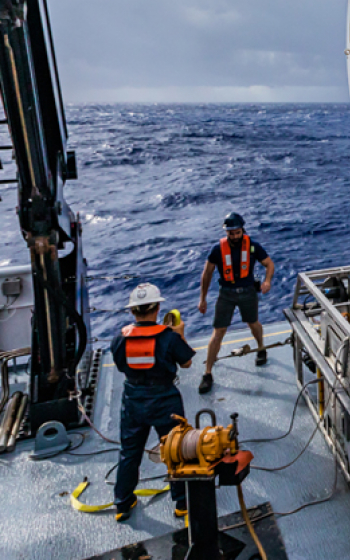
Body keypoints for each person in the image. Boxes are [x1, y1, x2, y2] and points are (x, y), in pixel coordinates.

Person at [111, 283, 195, 522]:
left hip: (133, 399)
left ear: (132, 310)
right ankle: (182, 504)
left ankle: (123, 504)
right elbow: (186, 363)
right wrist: (179, 333)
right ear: (158, 308)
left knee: (129, 452)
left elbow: (120, 365)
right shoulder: (169, 337)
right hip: (164, 399)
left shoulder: (120, 338)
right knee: (175, 450)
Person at [197, 212, 275, 394]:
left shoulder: (253, 247)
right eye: (230, 233)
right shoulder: (217, 249)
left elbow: (269, 264)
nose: (234, 236)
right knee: (218, 331)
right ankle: (207, 373)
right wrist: (203, 298)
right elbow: (207, 273)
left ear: (242, 230)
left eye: (237, 232)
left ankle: (261, 348)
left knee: (253, 323)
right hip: (226, 294)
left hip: (248, 292)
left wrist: (267, 281)